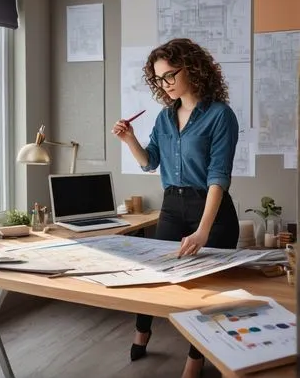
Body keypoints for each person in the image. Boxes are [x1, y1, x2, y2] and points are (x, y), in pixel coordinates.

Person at [112, 38, 239, 378]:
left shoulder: (220, 115)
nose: (164, 84)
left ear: (193, 69)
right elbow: (150, 161)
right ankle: (143, 332)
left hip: (210, 208)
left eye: (170, 75)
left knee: (203, 292)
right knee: (152, 274)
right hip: (172, 204)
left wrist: (203, 229)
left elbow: (218, 177)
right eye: (158, 79)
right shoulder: (165, 118)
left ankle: (196, 359)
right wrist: (129, 140)